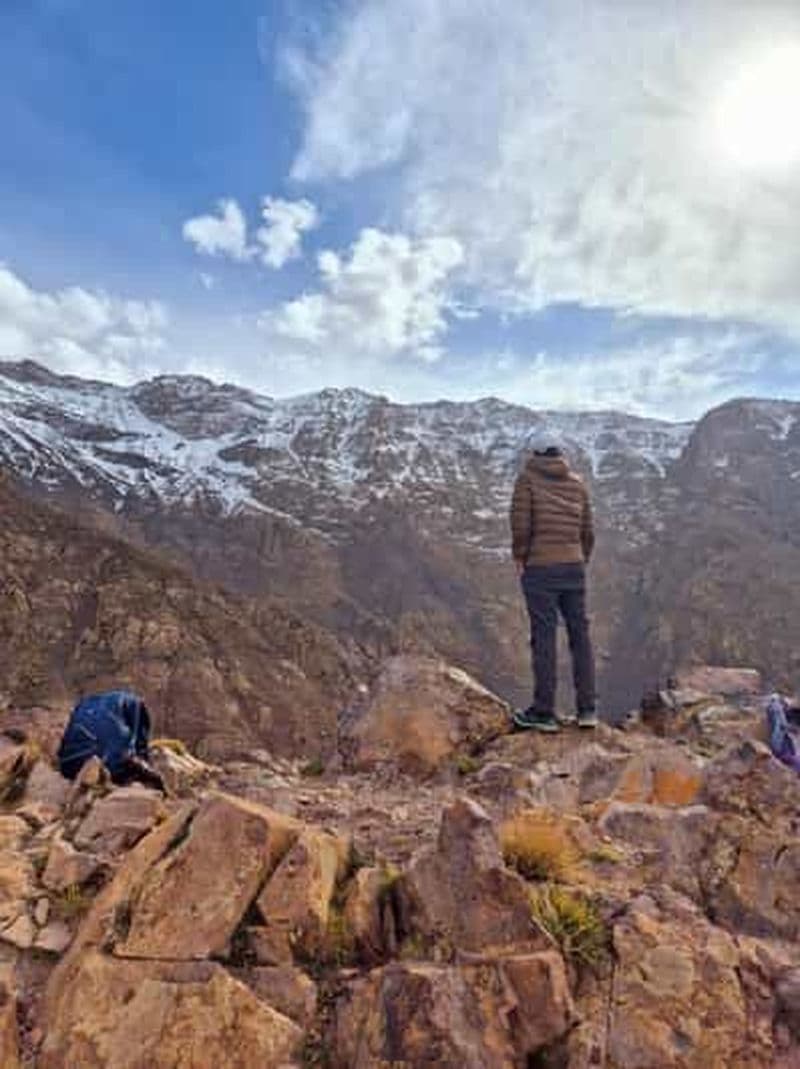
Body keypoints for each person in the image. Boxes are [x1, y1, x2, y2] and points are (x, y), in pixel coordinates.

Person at [509, 432, 597, 732]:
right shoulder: (577, 483)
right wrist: (579, 559)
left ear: (534, 453)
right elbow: (588, 531)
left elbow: (520, 526)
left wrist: (520, 556)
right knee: (580, 637)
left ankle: (544, 712)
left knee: (544, 638)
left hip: (541, 569)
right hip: (574, 567)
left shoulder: (527, 480)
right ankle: (588, 710)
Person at [58, 689, 165, 790]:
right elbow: (130, 751)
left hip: (68, 764)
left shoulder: (86, 706)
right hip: (104, 763)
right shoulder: (123, 724)